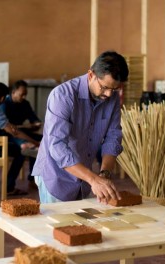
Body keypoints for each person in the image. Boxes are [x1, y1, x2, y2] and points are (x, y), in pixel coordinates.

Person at [32, 50, 129, 204]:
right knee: (57, 226)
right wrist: (93, 179)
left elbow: (113, 137)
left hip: (85, 178)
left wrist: (104, 174)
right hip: (55, 175)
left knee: (80, 226)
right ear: (91, 75)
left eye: (114, 89)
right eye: (104, 87)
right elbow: (57, 147)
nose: (109, 94)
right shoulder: (62, 96)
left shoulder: (112, 98)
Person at [0, 80, 42, 188]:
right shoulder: (4, 104)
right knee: (27, 148)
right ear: (13, 92)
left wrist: (36, 124)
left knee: (43, 141)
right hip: (8, 135)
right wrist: (20, 128)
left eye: (25, 95)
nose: (23, 97)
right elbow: (7, 128)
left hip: (23, 132)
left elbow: (34, 119)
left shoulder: (25, 104)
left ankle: (33, 178)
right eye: (21, 94)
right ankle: (9, 184)